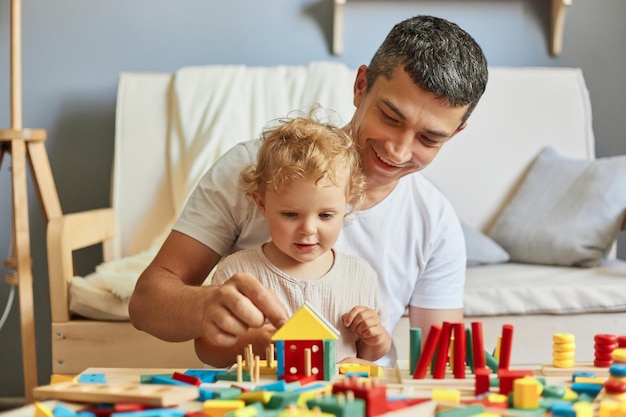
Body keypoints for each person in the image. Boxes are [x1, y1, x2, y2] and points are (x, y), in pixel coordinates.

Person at [129, 14, 488, 367]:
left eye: (429, 138)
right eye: (391, 118)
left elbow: (443, 358)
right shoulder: (252, 171)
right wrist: (207, 308)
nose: (398, 150)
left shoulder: (434, 221)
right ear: (360, 86)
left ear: (455, 134)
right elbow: (146, 304)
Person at [194, 109, 391, 368]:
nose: (308, 229)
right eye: (290, 214)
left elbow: (369, 354)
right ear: (261, 204)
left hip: (337, 401)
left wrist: (375, 338)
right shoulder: (238, 272)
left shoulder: (360, 275)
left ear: (347, 206)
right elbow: (206, 350)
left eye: (326, 215)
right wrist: (251, 343)